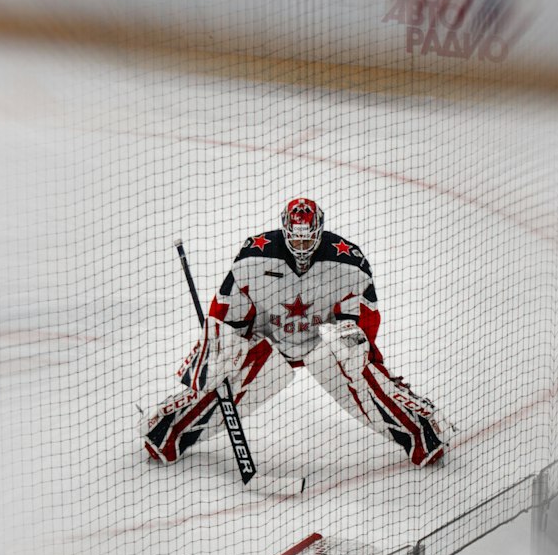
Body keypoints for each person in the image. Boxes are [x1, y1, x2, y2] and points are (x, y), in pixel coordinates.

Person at [143, 197, 445, 468]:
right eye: (296, 242)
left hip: (321, 343)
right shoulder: (253, 258)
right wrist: (224, 350)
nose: (302, 249)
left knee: (355, 363)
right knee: (223, 374)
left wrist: (353, 344)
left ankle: (420, 431)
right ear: (285, 233)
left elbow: (362, 323)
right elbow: (228, 315)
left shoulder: (348, 263)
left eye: (307, 242)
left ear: (320, 233)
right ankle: (170, 430)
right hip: (268, 342)